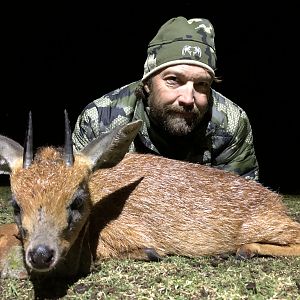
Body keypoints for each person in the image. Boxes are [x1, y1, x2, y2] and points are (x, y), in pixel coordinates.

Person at [72, 16, 259, 181]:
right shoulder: (100, 119)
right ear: (147, 82)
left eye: (202, 84)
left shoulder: (231, 123)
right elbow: (77, 194)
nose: (188, 98)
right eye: (173, 80)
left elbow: (240, 204)